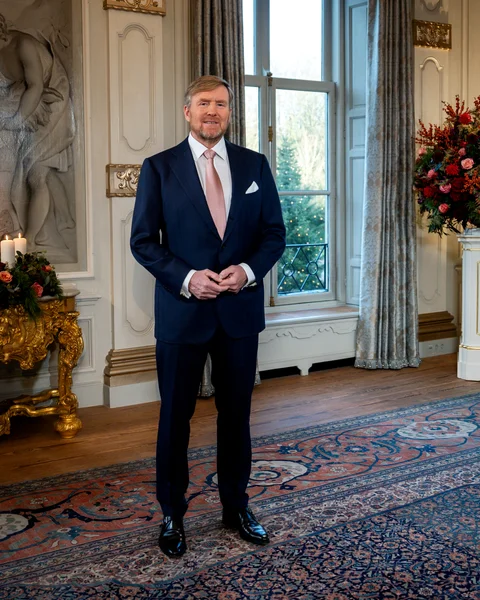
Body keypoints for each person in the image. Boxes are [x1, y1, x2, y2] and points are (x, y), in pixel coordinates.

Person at [130, 75, 286, 558]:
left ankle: (236, 507)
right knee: (175, 418)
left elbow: (274, 234)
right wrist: (187, 277)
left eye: (220, 104)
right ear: (187, 111)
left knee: (236, 416)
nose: (212, 111)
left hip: (239, 313)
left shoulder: (254, 165)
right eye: (203, 103)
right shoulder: (159, 168)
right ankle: (172, 514)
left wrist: (247, 271)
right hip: (182, 314)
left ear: (229, 113)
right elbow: (143, 242)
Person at [0, 13, 75, 251]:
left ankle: (29, 240)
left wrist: (16, 121)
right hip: (24, 102)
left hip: (51, 99)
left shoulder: (22, 45)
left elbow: (36, 86)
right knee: (25, 171)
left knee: (36, 173)